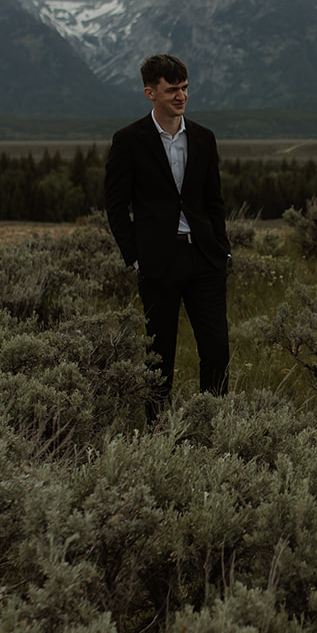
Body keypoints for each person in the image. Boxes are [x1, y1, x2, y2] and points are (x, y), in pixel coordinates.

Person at [104, 53, 230, 418]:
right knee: (159, 354)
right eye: (172, 89)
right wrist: (136, 255)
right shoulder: (128, 140)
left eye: (185, 88)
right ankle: (158, 431)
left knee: (217, 349)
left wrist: (222, 251)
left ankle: (214, 425)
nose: (181, 96)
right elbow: (115, 205)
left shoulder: (204, 139)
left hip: (205, 259)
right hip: (158, 262)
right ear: (150, 92)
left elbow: (214, 201)